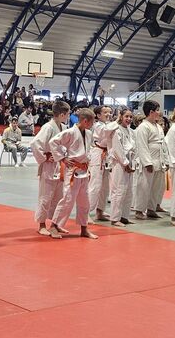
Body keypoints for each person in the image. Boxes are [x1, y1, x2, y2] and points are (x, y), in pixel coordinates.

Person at [49, 107, 98, 239]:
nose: (93, 124)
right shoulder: (70, 132)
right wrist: (63, 158)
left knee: (84, 201)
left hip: (84, 171)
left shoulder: (88, 133)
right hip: (73, 170)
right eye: (92, 121)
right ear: (85, 121)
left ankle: (84, 228)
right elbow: (53, 142)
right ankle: (53, 226)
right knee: (68, 200)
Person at [31, 99, 70, 235]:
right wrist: (45, 157)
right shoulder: (48, 127)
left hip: (60, 165)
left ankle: (55, 224)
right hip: (49, 166)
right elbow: (35, 144)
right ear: (62, 114)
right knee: (45, 197)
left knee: (59, 197)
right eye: (68, 114)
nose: (68, 116)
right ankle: (41, 225)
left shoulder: (64, 127)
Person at [133, 100, 167, 220]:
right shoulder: (143, 127)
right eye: (157, 110)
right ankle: (139, 210)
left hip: (159, 160)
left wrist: (165, 160)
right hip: (149, 161)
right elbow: (142, 146)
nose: (159, 112)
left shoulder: (158, 127)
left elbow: (163, 145)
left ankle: (151, 209)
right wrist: (147, 163)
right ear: (151, 112)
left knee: (156, 187)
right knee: (144, 187)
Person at [108, 107, 136, 227]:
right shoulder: (116, 130)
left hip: (130, 161)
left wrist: (133, 162)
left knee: (129, 191)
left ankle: (124, 216)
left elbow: (134, 148)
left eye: (130, 117)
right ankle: (115, 218)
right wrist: (125, 163)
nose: (129, 119)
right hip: (119, 163)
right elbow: (117, 149)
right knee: (119, 190)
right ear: (121, 117)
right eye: (126, 116)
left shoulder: (131, 131)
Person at [88, 105, 116, 221]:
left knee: (105, 186)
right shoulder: (97, 125)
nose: (108, 114)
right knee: (95, 185)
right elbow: (106, 132)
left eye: (110, 112)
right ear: (98, 115)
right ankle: (86, 213)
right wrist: (118, 120)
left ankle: (100, 211)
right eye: (105, 112)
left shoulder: (108, 124)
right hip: (97, 153)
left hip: (107, 154)